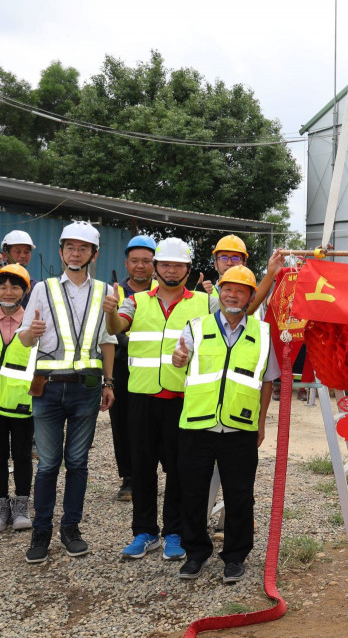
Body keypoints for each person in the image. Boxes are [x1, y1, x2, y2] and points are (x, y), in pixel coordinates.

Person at [104, 237, 214, 561]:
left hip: (182, 396)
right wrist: (110, 312)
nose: (170, 269)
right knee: (142, 466)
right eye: (164, 264)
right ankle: (145, 532)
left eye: (177, 265)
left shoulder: (203, 303)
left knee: (179, 468)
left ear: (187, 269)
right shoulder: (135, 301)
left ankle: (174, 532)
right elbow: (116, 327)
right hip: (140, 396)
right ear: (156, 267)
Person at [172, 266, 279, 583]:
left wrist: (260, 425)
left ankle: (235, 557)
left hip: (239, 429)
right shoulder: (196, 326)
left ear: (249, 297)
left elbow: (267, 384)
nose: (232, 295)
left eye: (241, 290)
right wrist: (178, 359)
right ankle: (195, 554)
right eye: (227, 289)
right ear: (218, 291)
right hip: (196, 426)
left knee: (240, 496)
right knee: (192, 493)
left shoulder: (262, 334)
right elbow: (181, 357)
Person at [19, 221, 116, 563]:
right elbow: (24, 338)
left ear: (94, 254)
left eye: (83, 248)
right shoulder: (42, 289)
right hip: (47, 389)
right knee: (47, 464)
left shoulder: (105, 291)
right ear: (61, 252)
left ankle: (71, 528)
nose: (76, 253)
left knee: (77, 463)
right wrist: (31, 331)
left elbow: (107, 341)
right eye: (70, 248)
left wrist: (108, 382)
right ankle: (41, 531)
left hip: (87, 391)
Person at [107, 234, 158, 502]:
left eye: (147, 261)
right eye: (135, 261)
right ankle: (129, 477)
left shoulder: (164, 292)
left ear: (155, 264)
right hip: (121, 368)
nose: (141, 266)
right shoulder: (114, 293)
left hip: (156, 369)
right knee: (123, 423)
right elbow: (107, 330)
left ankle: (156, 474)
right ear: (126, 264)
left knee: (156, 422)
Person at [0, 264, 37, 531]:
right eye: (3, 286)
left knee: (22, 455)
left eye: (15, 287)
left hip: (24, 404)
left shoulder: (32, 323)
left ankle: (22, 505)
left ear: (25, 291)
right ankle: (2, 506)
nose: (8, 291)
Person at [1, 230, 36, 307]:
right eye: (18, 251)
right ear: (5, 255)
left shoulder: (35, 286)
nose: (23, 256)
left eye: (26, 252)